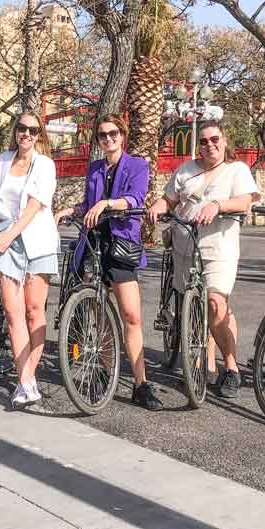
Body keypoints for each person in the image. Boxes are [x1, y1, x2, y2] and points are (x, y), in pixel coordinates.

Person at [147, 120, 260, 399]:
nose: (210, 145)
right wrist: (157, 208)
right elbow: (169, 200)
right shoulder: (186, 170)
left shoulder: (237, 170)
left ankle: (231, 368)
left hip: (217, 249)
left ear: (224, 141)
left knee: (215, 303)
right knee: (194, 310)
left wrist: (218, 204)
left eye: (215, 139)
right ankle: (201, 366)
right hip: (185, 248)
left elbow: (245, 202)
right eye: (204, 141)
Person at [55, 115, 161, 411]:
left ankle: (141, 383)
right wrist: (71, 209)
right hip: (93, 242)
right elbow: (89, 205)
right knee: (97, 309)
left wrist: (106, 204)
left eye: (113, 133)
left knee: (131, 315)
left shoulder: (137, 165)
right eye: (102, 135)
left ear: (122, 135)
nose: (108, 139)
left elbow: (135, 199)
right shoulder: (94, 169)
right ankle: (103, 368)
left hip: (121, 243)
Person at [0, 112, 60, 409]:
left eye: (33, 130)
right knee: (12, 313)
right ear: (15, 131)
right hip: (7, 240)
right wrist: (1, 236)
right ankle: (26, 382)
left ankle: (26, 378)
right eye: (22, 128)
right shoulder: (3, 160)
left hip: (38, 241)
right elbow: (1, 205)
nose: (27, 134)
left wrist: (9, 235)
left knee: (33, 312)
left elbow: (34, 207)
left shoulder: (45, 164)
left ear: (39, 135)